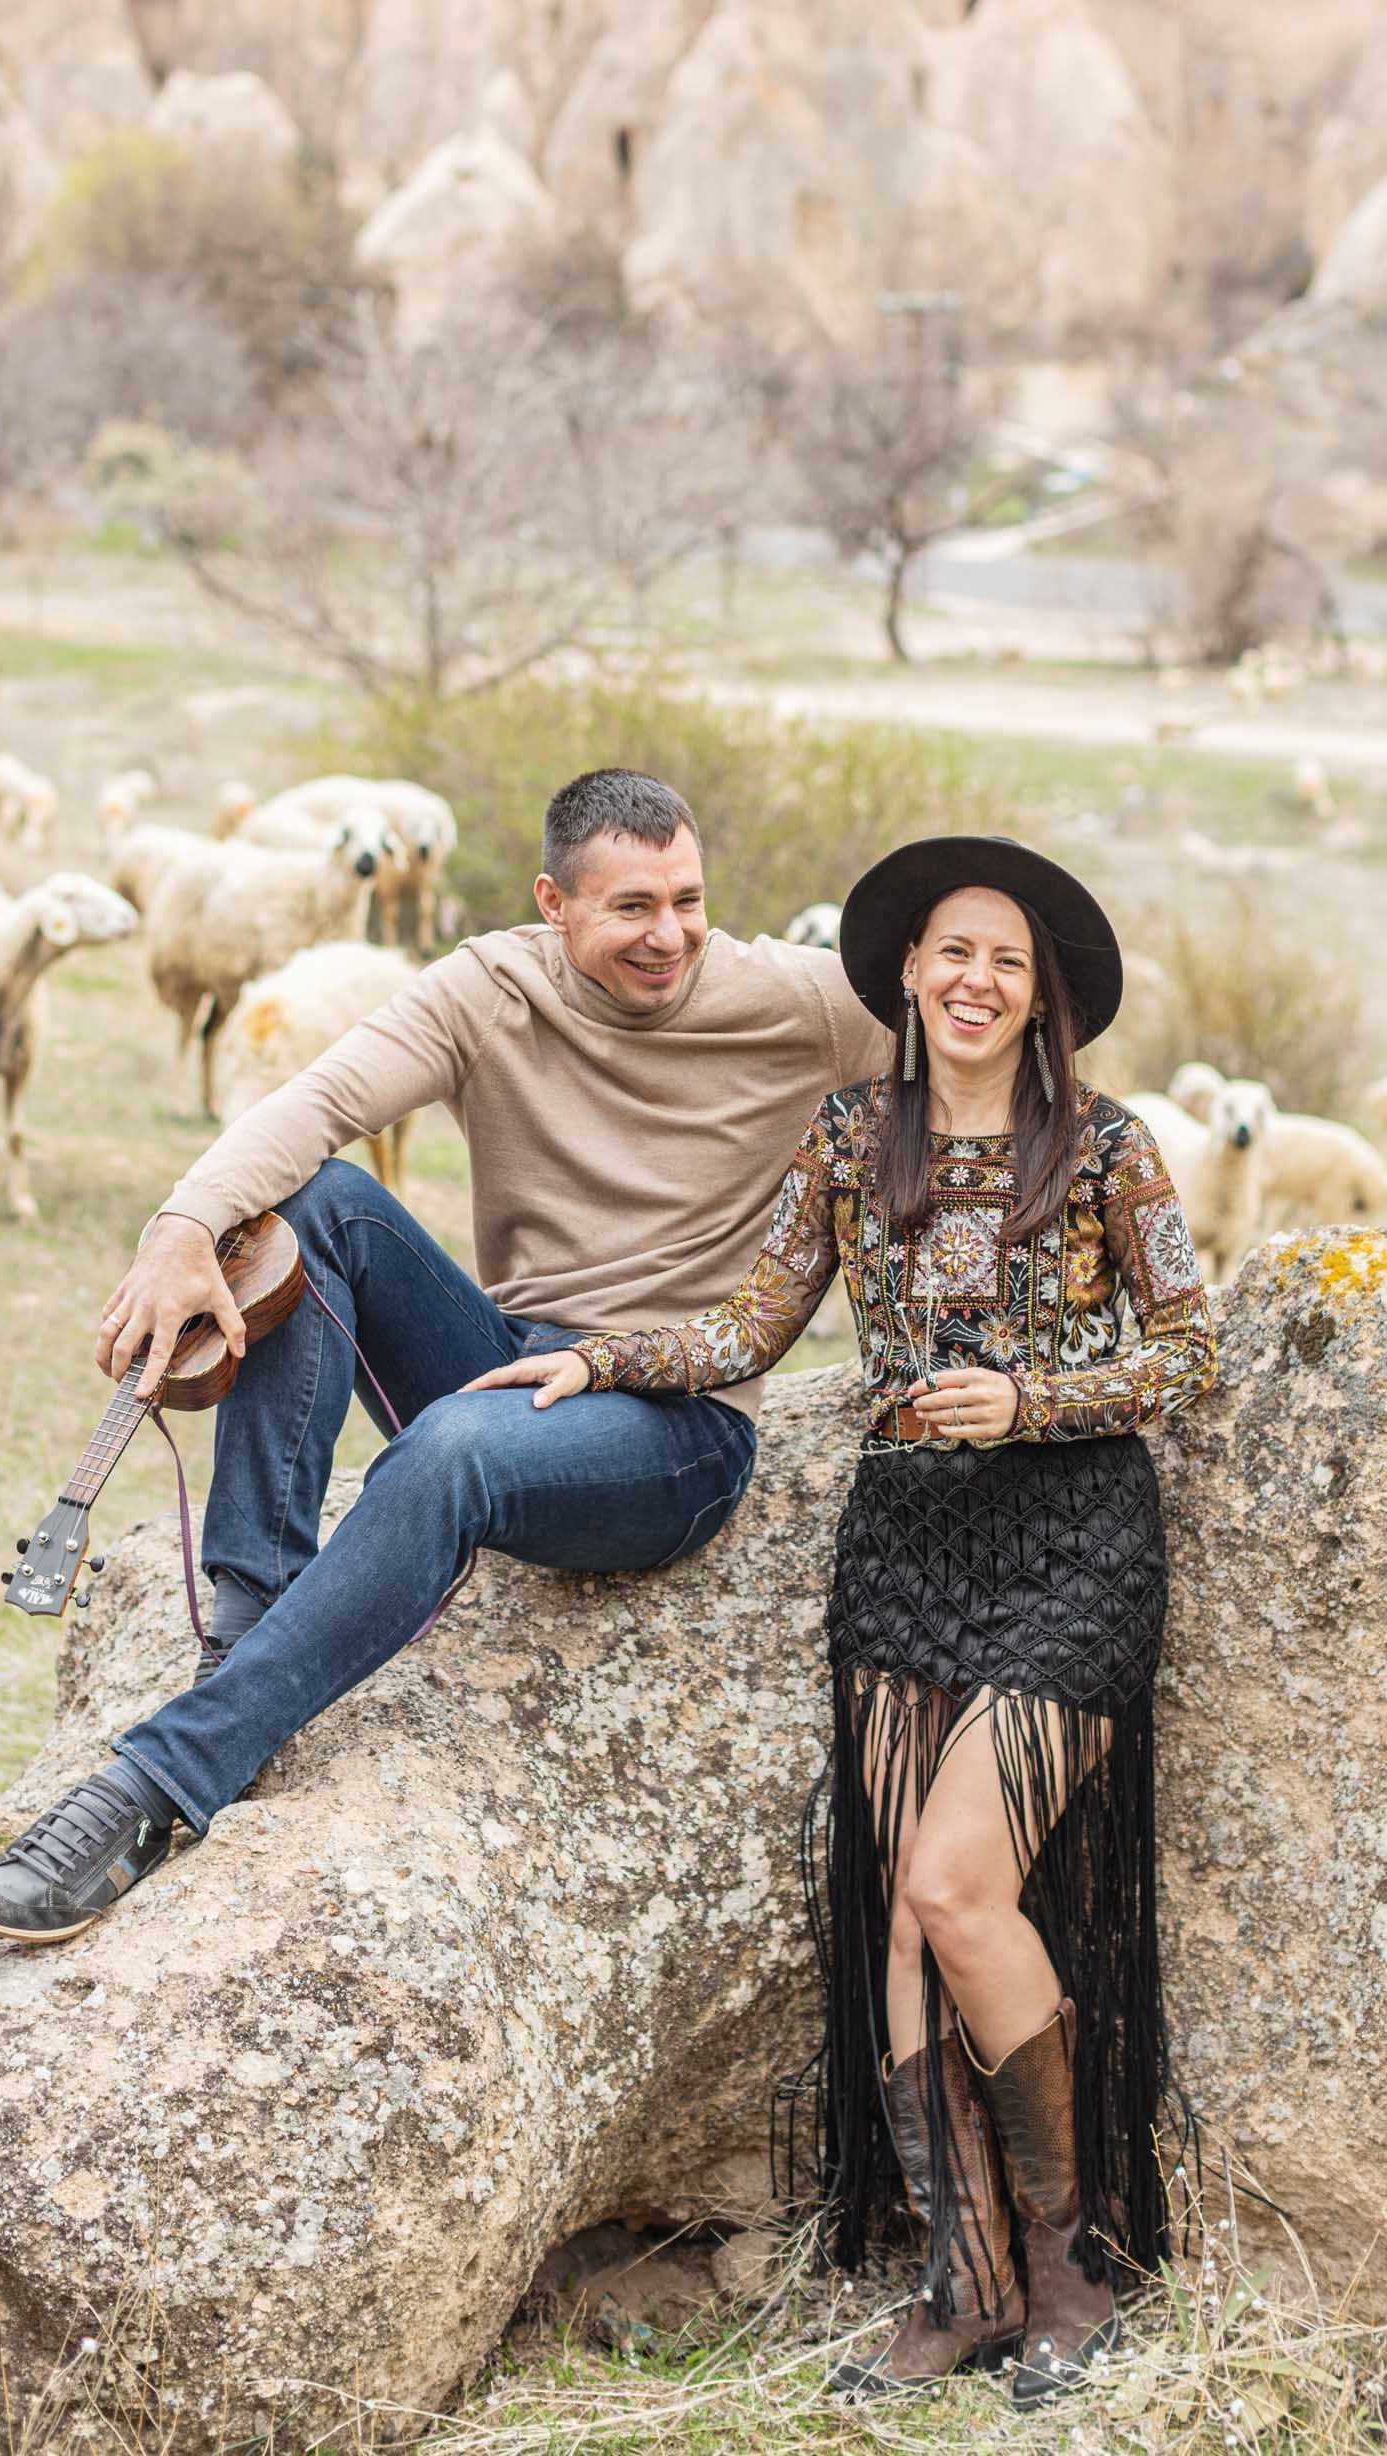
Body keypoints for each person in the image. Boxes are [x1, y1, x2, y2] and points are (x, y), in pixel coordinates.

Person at [469, 837, 1217, 2406]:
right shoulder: (843, 1137)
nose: (974, 979)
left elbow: (1191, 1353)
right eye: (952, 951)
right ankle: (967, 2282)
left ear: (1041, 999)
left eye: (1006, 962)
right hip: (902, 1544)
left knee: (957, 1885)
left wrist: (1031, 1400)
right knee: (898, 1914)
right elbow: (754, 1323)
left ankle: (1080, 2267)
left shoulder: (1104, 1151)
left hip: (1072, 1541)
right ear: (905, 974)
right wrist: (595, 1362)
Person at [0, 768, 887, 1943]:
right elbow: (319, 1101)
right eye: (632, 908)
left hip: (674, 1425)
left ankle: (157, 1787)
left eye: (688, 901)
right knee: (319, 1207)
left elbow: (985, 1036)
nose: (671, 936)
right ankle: (256, 1622)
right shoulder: (489, 987)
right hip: (512, 1364)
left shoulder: (799, 1001)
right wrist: (183, 1228)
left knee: (453, 1450)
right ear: (554, 903)